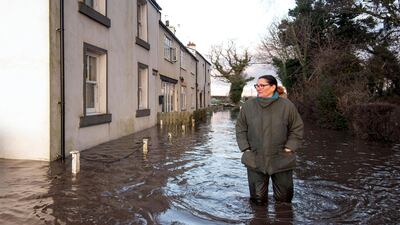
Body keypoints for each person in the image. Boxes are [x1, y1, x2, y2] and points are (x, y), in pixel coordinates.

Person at [235, 75, 303, 205]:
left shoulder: (287, 106)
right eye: (257, 85)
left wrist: (289, 147)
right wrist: (246, 149)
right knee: (257, 200)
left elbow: (297, 128)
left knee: (284, 199)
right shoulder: (248, 106)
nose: (258, 88)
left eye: (262, 85)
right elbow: (240, 128)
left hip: (282, 158)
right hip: (255, 158)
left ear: (273, 87)